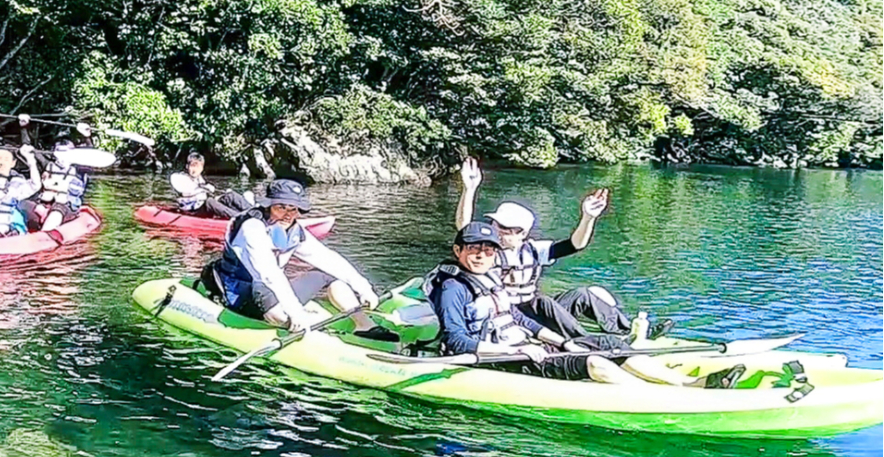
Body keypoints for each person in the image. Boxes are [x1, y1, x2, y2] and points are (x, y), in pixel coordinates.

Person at [424, 223, 738, 387]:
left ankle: (691, 383)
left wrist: (564, 341)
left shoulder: (490, 277)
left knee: (608, 345)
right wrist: (511, 352)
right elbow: (457, 341)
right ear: (458, 250)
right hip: (501, 359)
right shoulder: (452, 288)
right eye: (473, 249)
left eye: (487, 250)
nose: (480, 255)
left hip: (524, 345)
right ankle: (668, 397)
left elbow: (519, 319)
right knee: (595, 362)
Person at [455, 158, 674, 342]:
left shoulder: (533, 250)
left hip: (534, 312)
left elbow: (575, 244)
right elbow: (465, 228)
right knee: (543, 302)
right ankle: (592, 342)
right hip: (506, 316)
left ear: (521, 232)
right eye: (495, 225)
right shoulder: (486, 253)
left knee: (581, 295)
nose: (496, 230)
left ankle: (626, 333)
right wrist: (469, 189)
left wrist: (588, 217)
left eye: (503, 228)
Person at [203, 179, 396, 341]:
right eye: (281, 208)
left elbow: (327, 258)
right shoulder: (252, 227)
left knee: (328, 273)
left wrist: (363, 287)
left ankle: (363, 325)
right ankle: (317, 332)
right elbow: (269, 274)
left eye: (293, 209)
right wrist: (296, 312)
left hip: (270, 289)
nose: (288, 214)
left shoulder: (294, 229)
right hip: (242, 295)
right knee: (274, 301)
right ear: (269, 206)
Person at [25, 138, 88, 234]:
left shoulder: (79, 169)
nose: (62, 157)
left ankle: (44, 236)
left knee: (57, 210)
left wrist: (86, 138)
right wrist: (23, 127)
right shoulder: (47, 165)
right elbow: (29, 147)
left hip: (65, 207)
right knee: (21, 202)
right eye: (59, 152)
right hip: (42, 205)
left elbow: (92, 155)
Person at [172, 152, 253, 218]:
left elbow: (205, 194)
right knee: (209, 202)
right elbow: (185, 193)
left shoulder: (200, 179)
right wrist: (202, 189)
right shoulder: (179, 177)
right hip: (192, 211)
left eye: (198, 166)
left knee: (230, 196)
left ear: (202, 168)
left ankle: (253, 212)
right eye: (193, 166)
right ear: (187, 166)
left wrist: (215, 193)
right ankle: (240, 218)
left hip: (202, 207)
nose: (195, 170)